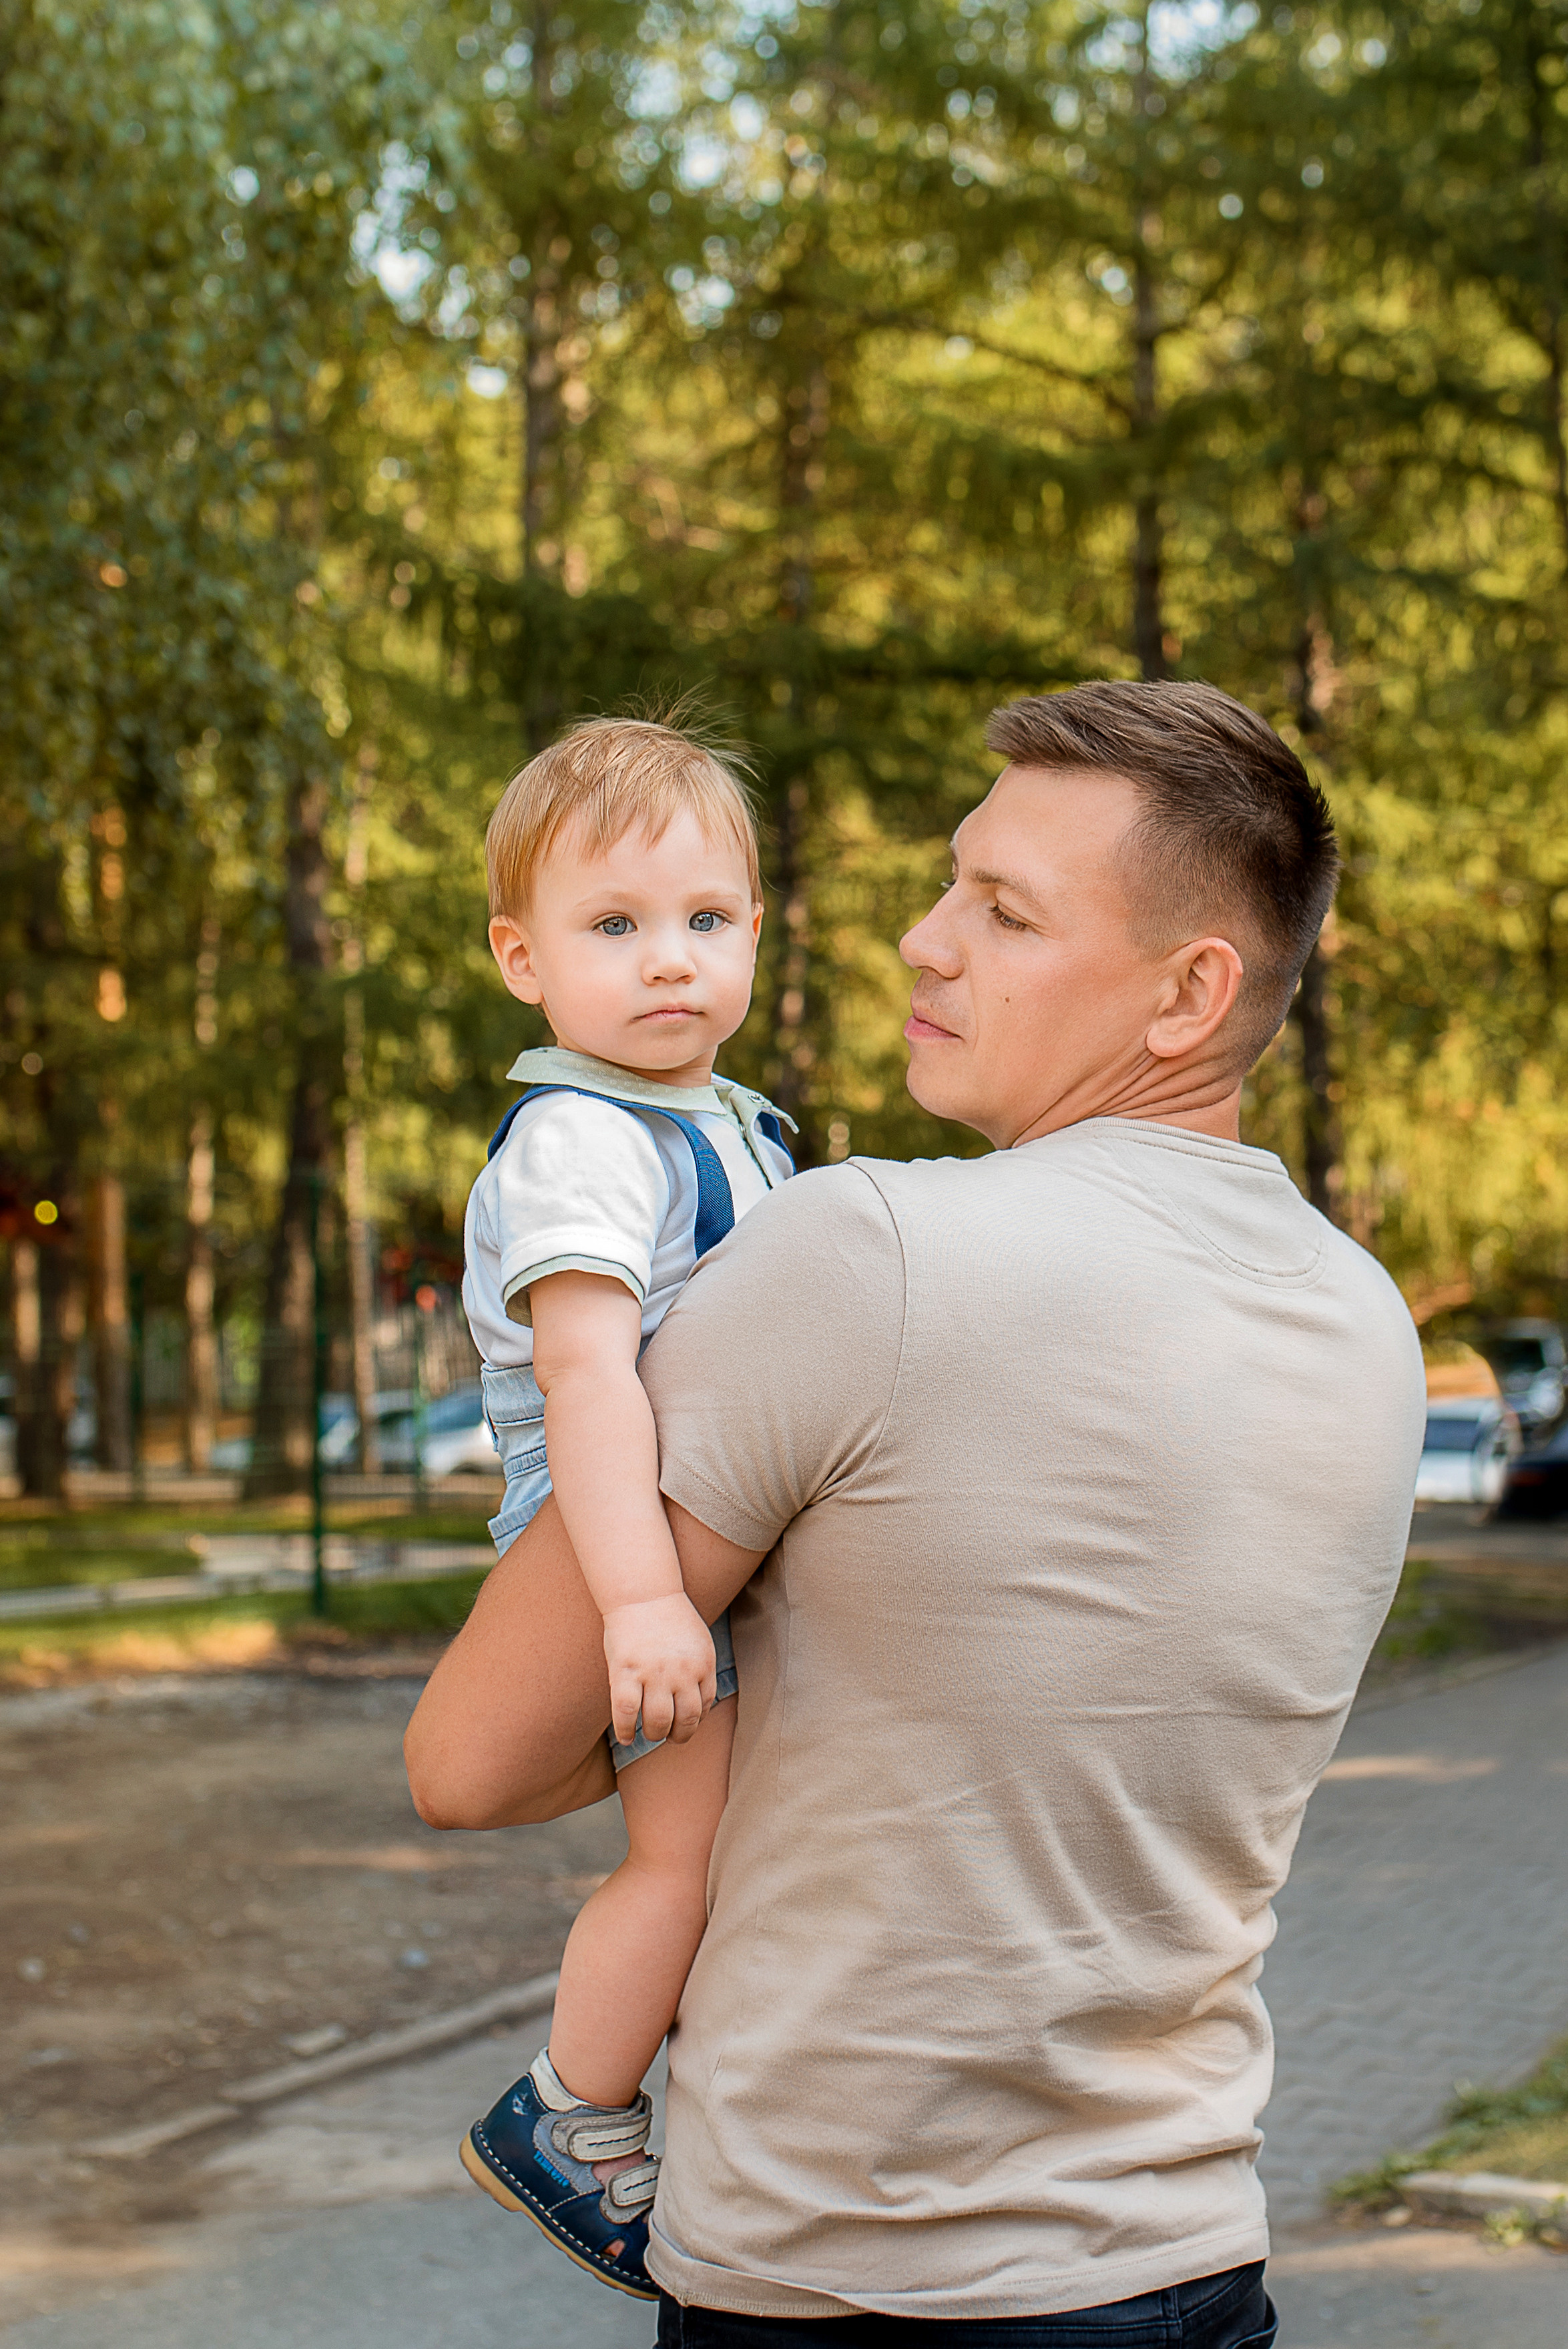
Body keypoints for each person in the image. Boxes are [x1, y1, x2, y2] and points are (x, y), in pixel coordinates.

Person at [407, 680, 1426, 2347]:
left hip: (846, 2283)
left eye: (1001, 911)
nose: (918, 940)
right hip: (1187, 2263)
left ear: (1188, 992)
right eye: (952, 880)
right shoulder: (1362, 1320)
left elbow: (474, 1760)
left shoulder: (860, 1248)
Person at [451, 714, 793, 2298]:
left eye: (704, 920)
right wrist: (645, 1598)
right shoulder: (583, 1139)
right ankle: (567, 2113)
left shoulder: (726, 1116)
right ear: (523, 959)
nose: (670, 961)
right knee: (686, 1861)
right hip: (608, 1527)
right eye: (614, 926)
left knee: (735, 1849)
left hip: (688, 1511)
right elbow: (589, 1378)